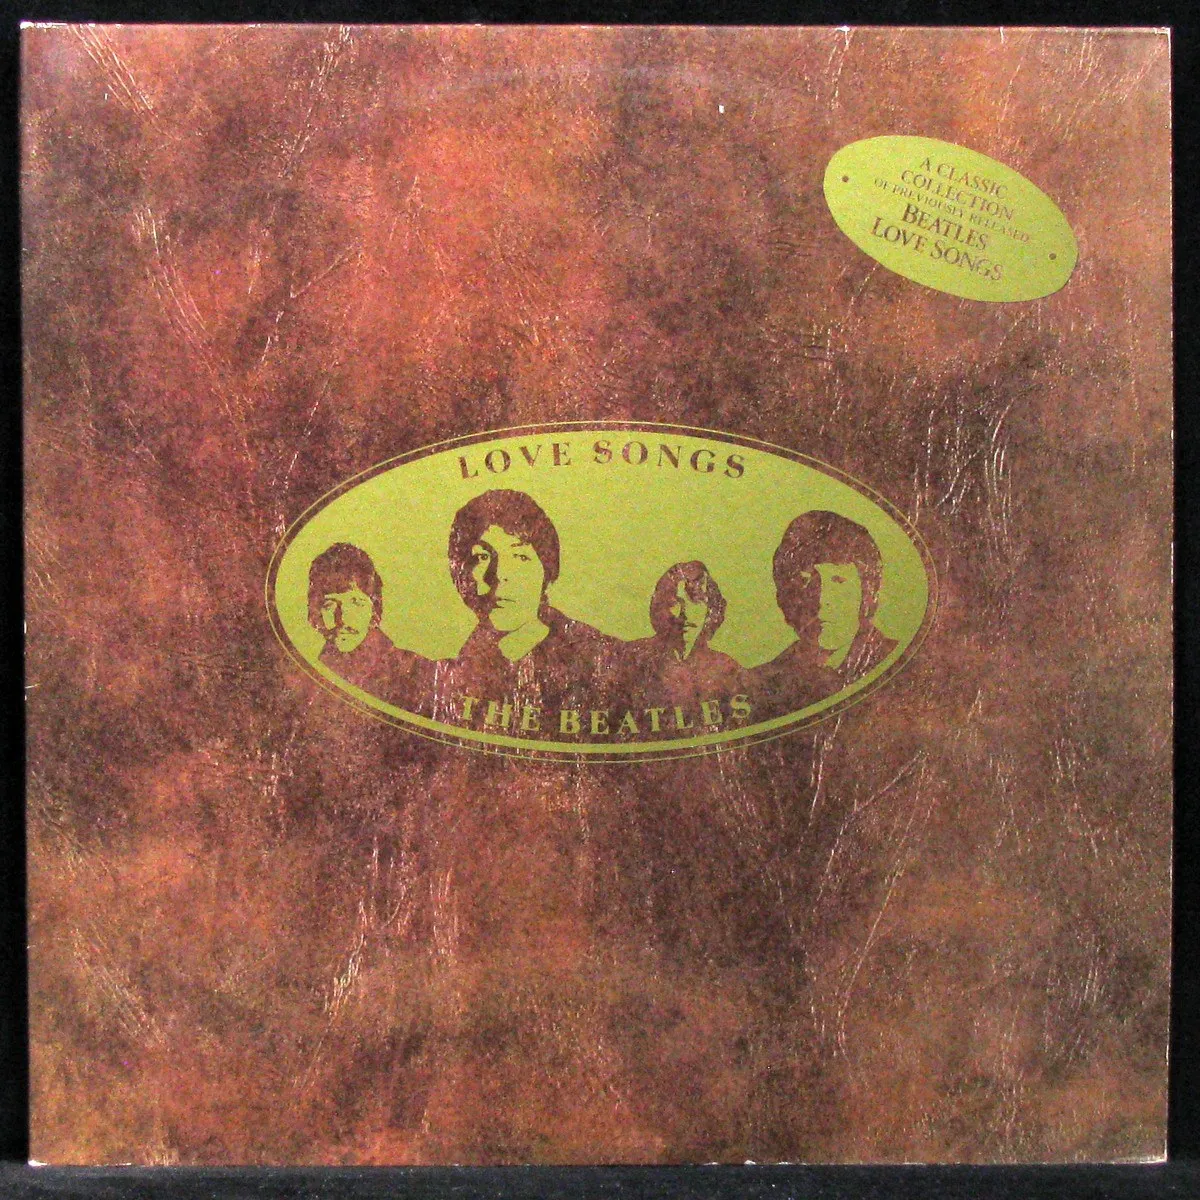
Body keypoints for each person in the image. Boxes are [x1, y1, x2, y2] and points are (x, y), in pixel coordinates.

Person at [439, 489, 626, 722]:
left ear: (546, 570)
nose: (499, 575)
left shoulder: (599, 658)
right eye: (482, 557)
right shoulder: (458, 667)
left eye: (520, 557)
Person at [752, 510, 898, 714]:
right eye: (806, 581)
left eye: (838, 581)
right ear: (784, 593)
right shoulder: (760, 684)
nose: (822, 600)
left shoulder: (901, 668)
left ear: (868, 592)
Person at [308, 542, 430, 705]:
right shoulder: (311, 676)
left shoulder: (413, 673)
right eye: (329, 605)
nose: (342, 619)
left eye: (355, 603)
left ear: (374, 608)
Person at [622, 561, 745, 711]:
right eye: (675, 603)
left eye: (696, 601)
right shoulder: (633, 660)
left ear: (711, 608)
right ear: (660, 607)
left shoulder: (726, 670)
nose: (683, 614)